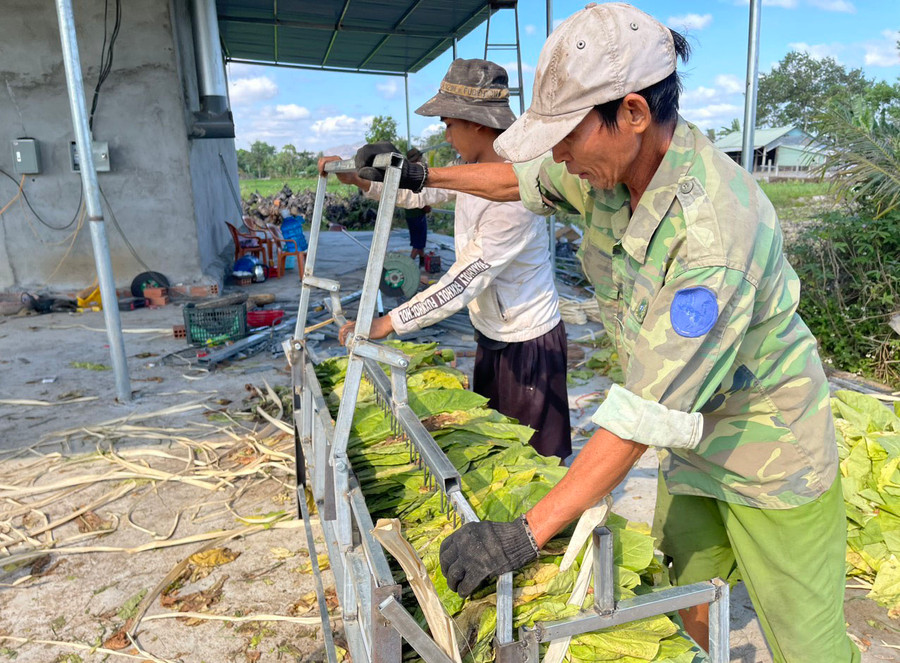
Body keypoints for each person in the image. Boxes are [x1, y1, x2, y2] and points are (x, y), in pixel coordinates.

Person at [350, 5, 858, 662]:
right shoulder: (612, 169)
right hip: (694, 440)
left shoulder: (712, 238)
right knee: (686, 597)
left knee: (808, 645)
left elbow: (641, 413)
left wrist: (525, 533)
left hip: (770, 451)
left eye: (566, 135)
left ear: (634, 112)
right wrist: (423, 176)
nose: (559, 153)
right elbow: (521, 179)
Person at [320, 59, 572, 460]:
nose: (446, 134)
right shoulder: (470, 171)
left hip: (528, 341)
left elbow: (463, 281)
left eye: (449, 124)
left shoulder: (515, 197)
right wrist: (360, 180)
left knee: (536, 459)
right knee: (496, 445)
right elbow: (421, 193)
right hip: (491, 332)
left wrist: (390, 321)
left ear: (477, 124)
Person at [403, 148, 430, 266]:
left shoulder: (406, 174)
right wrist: (425, 206)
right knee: (418, 243)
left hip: (410, 213)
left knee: (418, 240)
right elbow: (418, 196)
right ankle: (407, 266)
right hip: (418, 214)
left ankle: (422, 259)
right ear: (417, 159)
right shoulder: (416, 174)